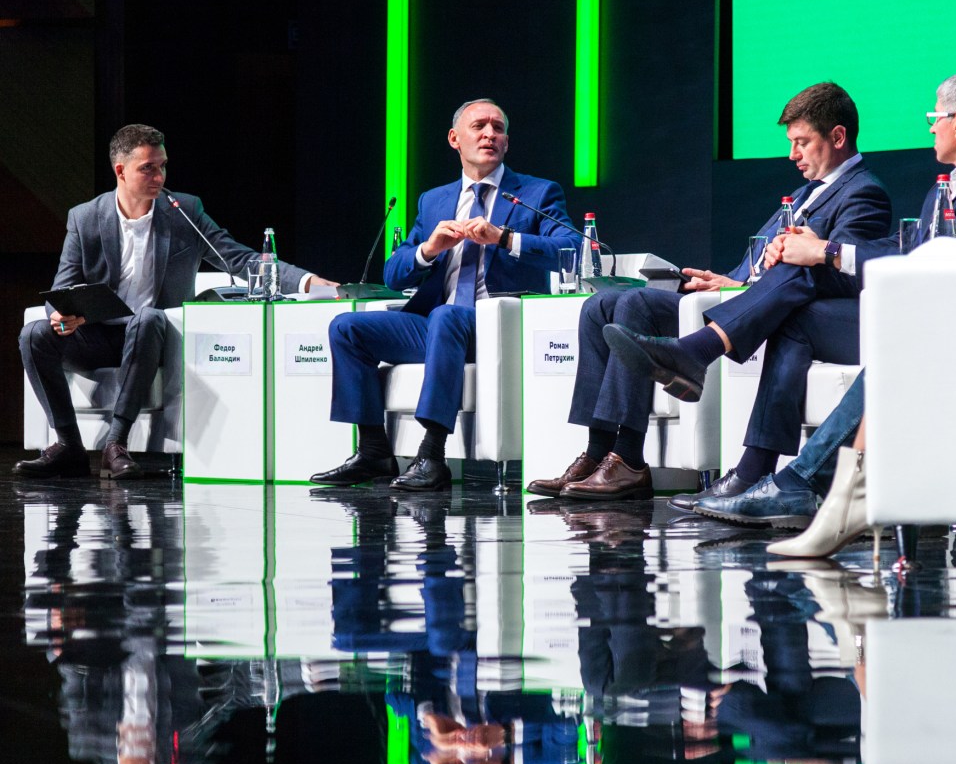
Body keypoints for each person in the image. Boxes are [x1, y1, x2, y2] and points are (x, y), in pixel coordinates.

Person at [694, 70, 956, 552]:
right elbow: (907, 247)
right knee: (798, 318)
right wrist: (825, 249)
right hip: (931, 322)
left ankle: (806, 484)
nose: (930, 127)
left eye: (934, 117)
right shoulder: (954, 184)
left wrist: (825, 252)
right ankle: (763, 471)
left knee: (898, 348)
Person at [527, 82, 891, 501]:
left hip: (777, 314)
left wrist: (808, 254)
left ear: (838, 137)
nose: (792, 154)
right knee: (600, 305)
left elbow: (843, 275)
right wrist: (730, 281)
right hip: (738, 300)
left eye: (802, 142)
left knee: (634, 304)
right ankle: (598, 452)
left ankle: (627, 459)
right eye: (791, 143)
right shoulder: (806, 193)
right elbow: (759, 261)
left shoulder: (863, 192)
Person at [17, 123, 336, 481]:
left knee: (148, 318)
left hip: (151, 337)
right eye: (147, 168)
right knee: (34, 334)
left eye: (163, 166)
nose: (159, 177)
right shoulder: (86, 217)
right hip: (95, 335)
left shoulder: (183, 210)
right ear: (120, 171)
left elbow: (237, 257)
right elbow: (63, 284)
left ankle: (115, 444)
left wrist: (306, 281)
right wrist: (62, 314)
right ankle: (69, 447)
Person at [311, 99, 576, 492]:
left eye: (498, 128)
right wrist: (428, 249)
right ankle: (373, 451)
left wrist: (503, 237)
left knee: (445, 316)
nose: (490, 134)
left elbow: (572, 248)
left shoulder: (536, 193)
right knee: (347, 328)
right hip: (439, 327)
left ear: (506, 142)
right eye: (479, 126)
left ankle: (432, 455)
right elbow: (394, 273)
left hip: (498, 327)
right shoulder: (434, 200)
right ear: (455, 139)